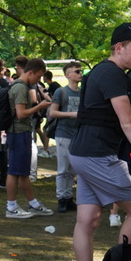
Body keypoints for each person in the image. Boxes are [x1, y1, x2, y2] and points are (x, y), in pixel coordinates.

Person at [68, 24, 131, 261]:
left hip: (82, 153)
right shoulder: (113, 74)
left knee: (88, 219)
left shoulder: (101, 72)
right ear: (119, 48)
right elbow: (128, 122)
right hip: (97, 155)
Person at [4, 58, 54, 219]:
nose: (38, 80)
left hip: (21, 132)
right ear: (30, 72)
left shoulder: (19, 86)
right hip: (18, 132)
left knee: (22, 171)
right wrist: (39, 106)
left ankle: (33, 203)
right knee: (15, 171)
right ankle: (11, 206)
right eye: (38, 76)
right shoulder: (20, 88)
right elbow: (20, 113)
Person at [48, 61, 83, 212]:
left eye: (81, 71)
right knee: (63, 168)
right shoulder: (61, 92)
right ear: (68, 75)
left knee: (73, 169)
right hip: (64, 133)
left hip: (78, 135)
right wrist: (72, 114)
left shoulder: (83, 92)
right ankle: (61, 198)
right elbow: (52, 112)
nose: (80, 74)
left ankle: (69, 198)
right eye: (77, 71)